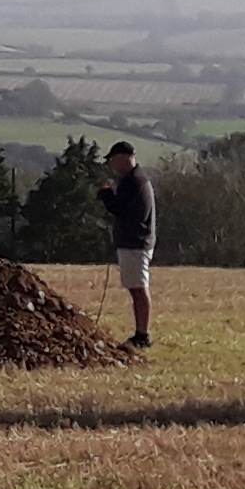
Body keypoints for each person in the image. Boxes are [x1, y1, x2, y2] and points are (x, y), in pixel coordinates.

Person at [101, 140, 155, 346]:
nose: (111, 165)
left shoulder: (132, 181)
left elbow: (118, 208)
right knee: (136, 287)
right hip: (137, 241)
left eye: (112, 160)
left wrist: (106, 196)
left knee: (139, 289)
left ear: (123, 157)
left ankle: (143, 335)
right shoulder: (138, 179)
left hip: (135, 243)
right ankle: (141, 333)